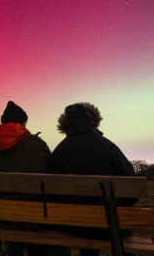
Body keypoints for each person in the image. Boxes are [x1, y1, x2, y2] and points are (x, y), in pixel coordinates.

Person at [47, 102, 136, 256]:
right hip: (109, 225)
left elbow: (49, 189)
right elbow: (132, 188)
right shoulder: (109, 147)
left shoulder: (60, 150)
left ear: (65, 125)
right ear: (94, 122)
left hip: (70, 225)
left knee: (83, 225)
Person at [0, 101, 54, 256]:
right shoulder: (36, 145)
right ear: (23, 123)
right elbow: (51, 180)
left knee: (11, 220)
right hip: (33, 217)